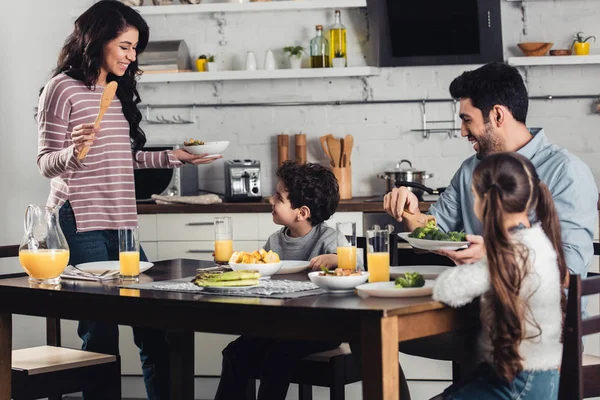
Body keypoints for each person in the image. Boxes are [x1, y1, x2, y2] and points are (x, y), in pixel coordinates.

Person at [376, 62, 597, 399]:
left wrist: (494, 257)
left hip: (539, 339)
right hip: (471, 319)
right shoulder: (470, 170)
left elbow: (572, 270)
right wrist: (411, 210)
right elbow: (435, 231)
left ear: (496, 115)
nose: (462, 132)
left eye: (467, 120)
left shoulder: (566, 171)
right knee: (379, 337)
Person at [36, 2, 219, 399]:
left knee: (153, 326)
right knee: (100, 333)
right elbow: (46, 163)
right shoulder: (61, 88)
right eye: (125, 46)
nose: (131, 56)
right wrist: (73, 153)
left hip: (122, 222)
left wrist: (174, 156)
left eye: (135, 48)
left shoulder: (115, 91)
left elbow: (124, 157)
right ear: (97, 39)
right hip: (79, 218)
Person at [214, 161, 356, 400]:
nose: (271, 200)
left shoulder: (328, 238)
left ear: (302, 212)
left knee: (277, 357)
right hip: (280, 324)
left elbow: (356, 267)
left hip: (323, 327)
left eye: (279, 197)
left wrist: (335, 258)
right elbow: (260, 275)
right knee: (234, 352)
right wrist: (234, 264)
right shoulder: (275, 241)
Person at [431, 152, 567, 399]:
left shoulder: (506, 255)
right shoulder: (538, 242)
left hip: (517, 384)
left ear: (487, 201)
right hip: (544, 378)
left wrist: (481, 259)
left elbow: (446, 290)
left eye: (474, 196)